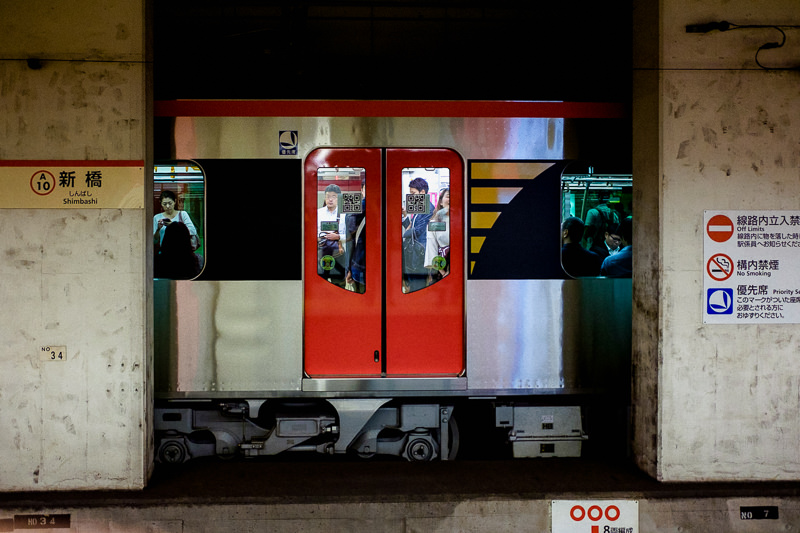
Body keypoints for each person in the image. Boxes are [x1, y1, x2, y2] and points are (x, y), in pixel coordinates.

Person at [402, 177, 434, 292]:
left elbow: (416, 231)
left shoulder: (428, 209)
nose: (412, 196)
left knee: (417, 288)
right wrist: (405, 215)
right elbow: (410, 227)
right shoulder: (419, 208)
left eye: (413, 193)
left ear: (423, 192)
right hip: (413, 253)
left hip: (420, 254)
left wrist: (404, 233)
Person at [317, 184, 347, 287]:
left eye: (334, 196)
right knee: (321, 285)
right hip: (321, 253)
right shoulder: (318, 213)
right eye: (328, 196)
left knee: (339, 285)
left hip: (338, 253)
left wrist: (338, 237)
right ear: (325, 198)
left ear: (338, 198)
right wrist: (321, 236)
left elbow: (349, 235)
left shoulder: (344, 214)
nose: (330, 199)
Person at [345, 180, 367, 293]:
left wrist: (348, 269)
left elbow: (350, 241)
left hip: (358, 266)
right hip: (362, 265)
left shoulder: (355, 209)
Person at [424, 188, 450, 282]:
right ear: (441, 202)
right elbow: (432, 249)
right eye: (449, 196)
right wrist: (443, 272)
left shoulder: (465, 222)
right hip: (442, 269)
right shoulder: (435, 223)